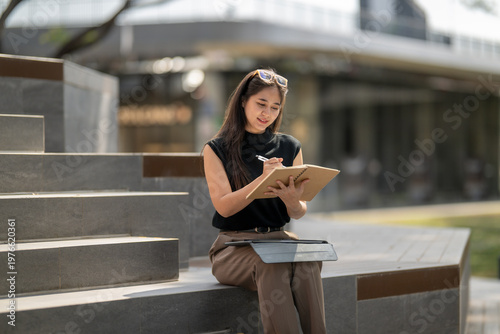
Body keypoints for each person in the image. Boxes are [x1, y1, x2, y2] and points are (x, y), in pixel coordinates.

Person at [203, 68, 327, 334]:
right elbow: (223, 205)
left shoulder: (290, 146)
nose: (267, 113)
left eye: (274, 107)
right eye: (261, 104)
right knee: (271, 263)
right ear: (243, 102)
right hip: (234, 248)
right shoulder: (216, 148)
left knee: (308, 259)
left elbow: (298, 212)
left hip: (278, 240)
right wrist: (261, 180)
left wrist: (293, 200)